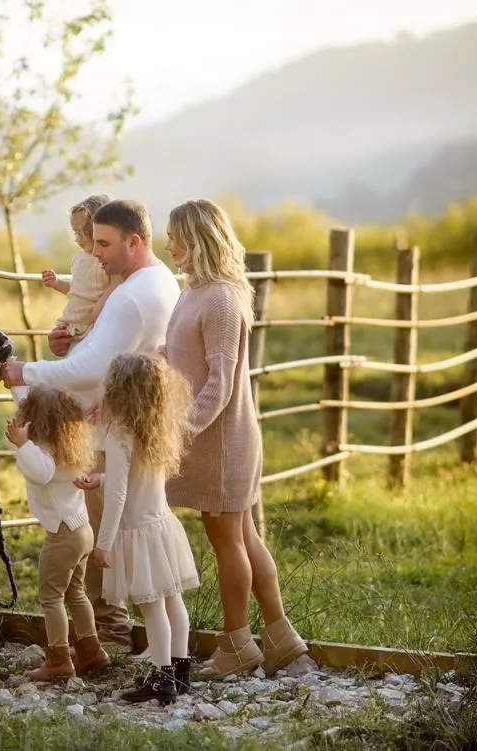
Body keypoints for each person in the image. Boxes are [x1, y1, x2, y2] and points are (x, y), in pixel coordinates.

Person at [1, 198, 181, 650]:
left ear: (133, 242)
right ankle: (137, 646)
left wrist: (27, 372)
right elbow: (103, 353)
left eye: (103, 243)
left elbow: (93, 368)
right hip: (109, 421)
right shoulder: (151, 281)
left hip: (104, 430)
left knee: (108, 540)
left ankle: (116, 637)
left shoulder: (133, 295)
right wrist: (70, 344)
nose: (93, 253)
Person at [163, 198, 309, 677]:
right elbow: (181, 354)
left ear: (198, 238)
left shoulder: (222, 300)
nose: (169, 245)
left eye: (175, 237)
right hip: (212, 439)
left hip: (222, 441)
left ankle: (237, 646)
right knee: (242, 535)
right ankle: (282, 640)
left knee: (227, 539)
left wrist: (180, 433)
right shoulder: (194, 291)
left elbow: (219, 383)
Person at [80, 353, 198, 703]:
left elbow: (118, 495)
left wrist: (103, 543)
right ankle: (180, 671)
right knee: (173, 602)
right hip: (161, 526)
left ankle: (163, 680)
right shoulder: (156, 430)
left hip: (137, 534)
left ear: (118, 391)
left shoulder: (119, 435)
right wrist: (101, 478)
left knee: (152, 608)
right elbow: (136, 481)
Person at [4, 384, 111, 681]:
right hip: (82, 530)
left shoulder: (42, 451)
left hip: (63, 534)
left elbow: (41, 472)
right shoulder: (70, 443)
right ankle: (91, 650)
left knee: (51, 597)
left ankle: (58, 660)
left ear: (34, 418)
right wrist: (15, 381)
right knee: (76, 592)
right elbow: (33, 400)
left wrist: (22, 444)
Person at [41, 193, 121, 339]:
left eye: (84, 232)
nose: (79, 238)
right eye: (76, 232)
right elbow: (76, 291)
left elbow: (114, 290)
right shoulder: (78, 258)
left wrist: (98, 313)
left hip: (92, 328)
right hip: (70, 325)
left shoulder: (108, 260)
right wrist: (56, 283)